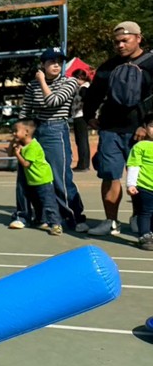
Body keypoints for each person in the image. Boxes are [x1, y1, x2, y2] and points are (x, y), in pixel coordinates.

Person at [84, 21, 153, 236]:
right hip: (110, 129)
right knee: (109, 175)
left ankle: (138, 217)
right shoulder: (108, 66)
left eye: (125, 40)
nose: (120, 45)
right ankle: (111, 221)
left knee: (141, 178)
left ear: (138, 38)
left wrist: (147, 125)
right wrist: (89, 115)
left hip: (141, 132)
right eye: (116, 42)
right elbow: (94, 93)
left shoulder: (151, 63)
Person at [15, 47, 87, 232]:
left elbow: (53, 101)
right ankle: (26, 215)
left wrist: (41, 81)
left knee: (59, 175)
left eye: (59, 62)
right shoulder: (32, 85)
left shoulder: (69, 82)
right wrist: (19, 134)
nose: (56, 65)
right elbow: (26, 109)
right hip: (35, 128)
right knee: (27, 173)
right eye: (51, 61)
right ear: (43, 64)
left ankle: (73, 216)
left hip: (55, 129)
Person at [9, 119, 61, 235]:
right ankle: (41, 220)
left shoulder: (33, 146)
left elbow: (26, 164)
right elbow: (9, 153)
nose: (13, 133)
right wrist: (12, 144)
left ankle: (55, 224)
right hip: (33, 180)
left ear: (26, 132)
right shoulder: (23, 145)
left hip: (42, 179)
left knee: (48, 203)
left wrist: (17, 154)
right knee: (37, 202)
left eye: (16, 131)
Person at [126, 117, 153, 251]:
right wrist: (131, 184)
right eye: (152, 126)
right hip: (145, 186)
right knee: (145, 212)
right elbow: (134, 165)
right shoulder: (140, 146)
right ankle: (144, 236)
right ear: (145, 128)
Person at [70, 68, 92, 172]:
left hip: (80, 116)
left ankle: (83, 164)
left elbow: (86, 99)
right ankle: (83, 163)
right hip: (79, 116)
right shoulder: (83, 87)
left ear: (79, 78)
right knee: (81, 141)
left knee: (82, 141)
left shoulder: (84, 88)